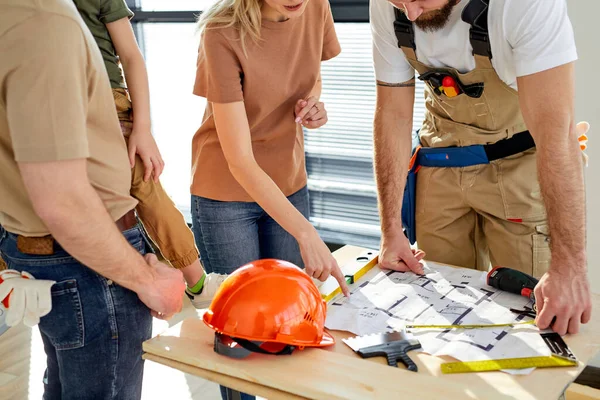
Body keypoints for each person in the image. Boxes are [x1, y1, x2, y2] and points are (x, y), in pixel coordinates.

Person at [370, 0, 592, 336]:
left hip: (520, 171)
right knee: (435, 317)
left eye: (418, 0)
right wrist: (390, 230)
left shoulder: (523, 5)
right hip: (440, 165)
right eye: (399, 1)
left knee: (535, 322)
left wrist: (570, 267)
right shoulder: (391, 6)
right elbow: (393, 115)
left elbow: (556, 136)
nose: (410, 13)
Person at [0, 0, 186, 398]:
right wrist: (148, 280)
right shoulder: (42, 19)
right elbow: (62, 200)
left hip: (38, 249)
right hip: (89, 265)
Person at [192, 0, 350, 397]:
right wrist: (307, 233)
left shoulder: (315, 8)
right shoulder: (222, 32)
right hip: (226, 194)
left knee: (290, 327)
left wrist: (312, 106)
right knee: (240, 342)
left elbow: (310, 77)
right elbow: (241, 162)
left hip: (287, 183)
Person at [71, 0, 226, 307]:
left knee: (143, 182)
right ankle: (197, 283)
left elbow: (130, 56)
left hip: (101, 101)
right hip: (53, 105)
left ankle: (195, 281)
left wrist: (142, 128)